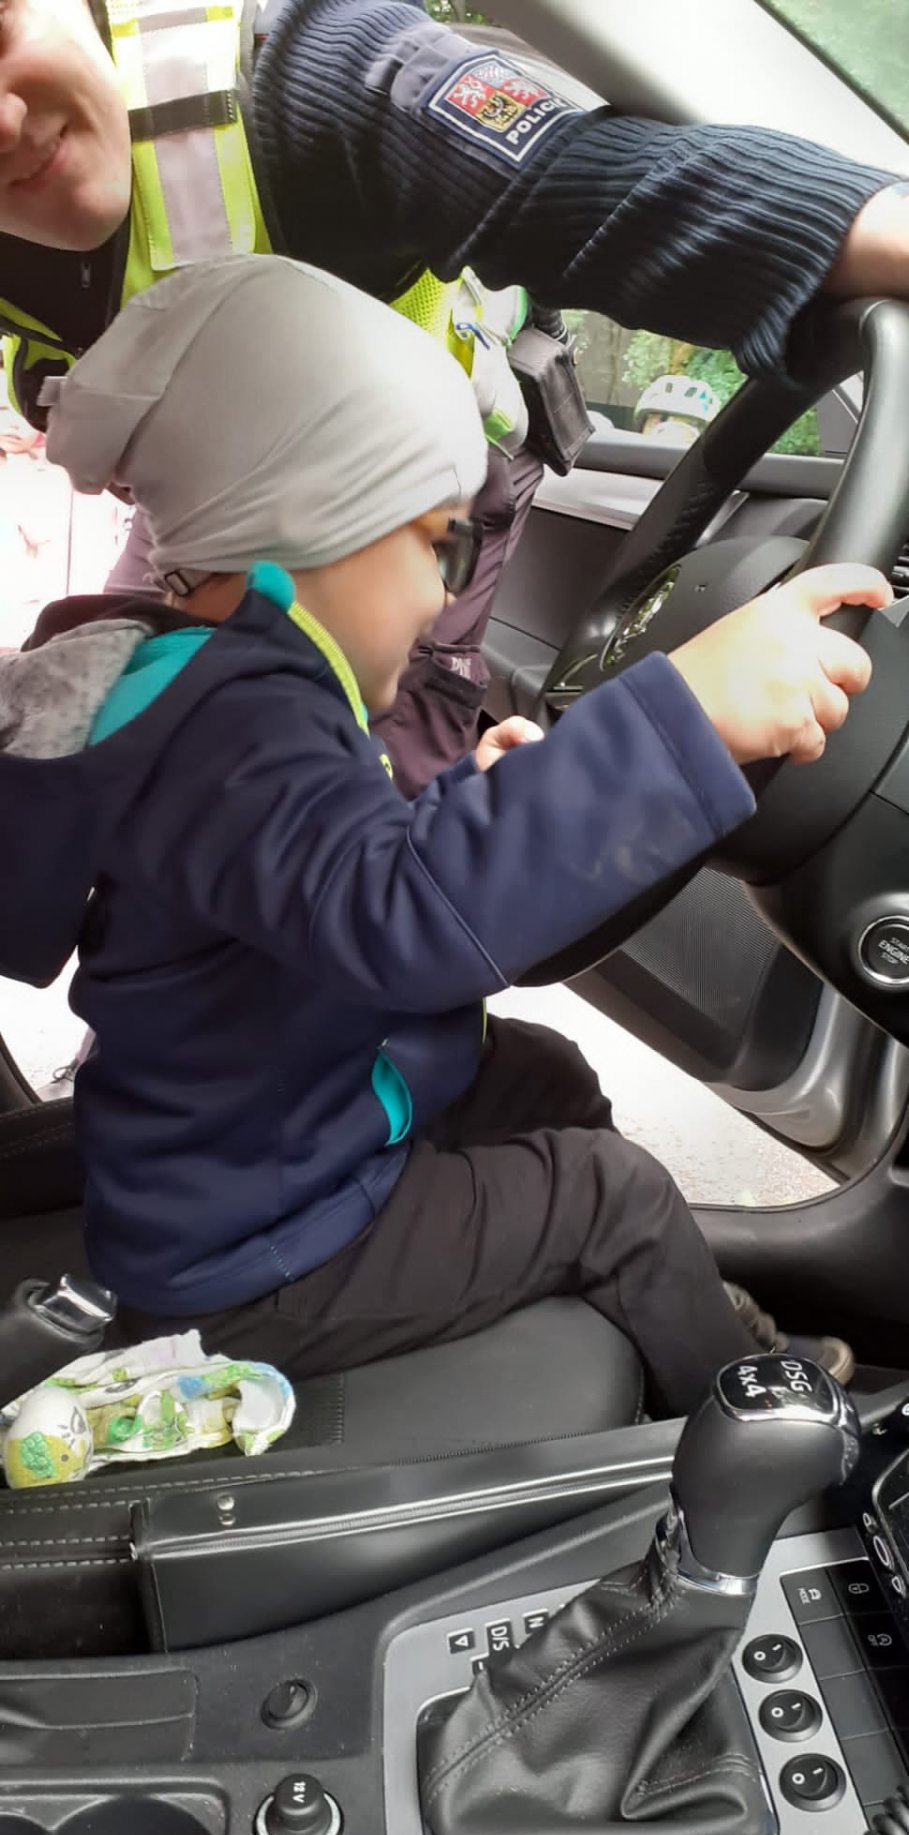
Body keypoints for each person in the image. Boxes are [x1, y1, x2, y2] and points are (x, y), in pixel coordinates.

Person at [0, 257, 889, 1414]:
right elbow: (403, 918)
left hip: (268, 1131)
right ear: (307, 519)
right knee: (608, 1194)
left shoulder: (213, 689)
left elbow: (324, 870)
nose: (439, 596)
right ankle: (752, 1425)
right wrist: (687, 720)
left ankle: (648, 1302)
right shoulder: (240, 724)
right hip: (255, 1247)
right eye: (432, 543)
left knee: (538, 1073)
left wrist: (475, 802)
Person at [0, 0, 907, 792]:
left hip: (434, 477)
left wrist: (470, 808)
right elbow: (386, 901)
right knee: (164, 725)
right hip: (213, 505)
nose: (2, 122)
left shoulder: (314, 71)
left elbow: (611, 182)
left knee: (379, 724)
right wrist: (675, 729)